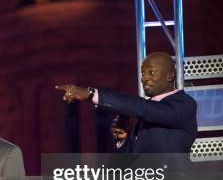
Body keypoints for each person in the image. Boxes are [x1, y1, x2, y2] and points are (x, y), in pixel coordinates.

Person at [56, 52, 197, 153]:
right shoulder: (144, 113)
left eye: (151, 73)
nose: (144, 79)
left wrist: (91, 94)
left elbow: (140, 107)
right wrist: (122, 140)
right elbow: (128, 165)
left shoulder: (184, 104)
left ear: (170, 76)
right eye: (143, 73)